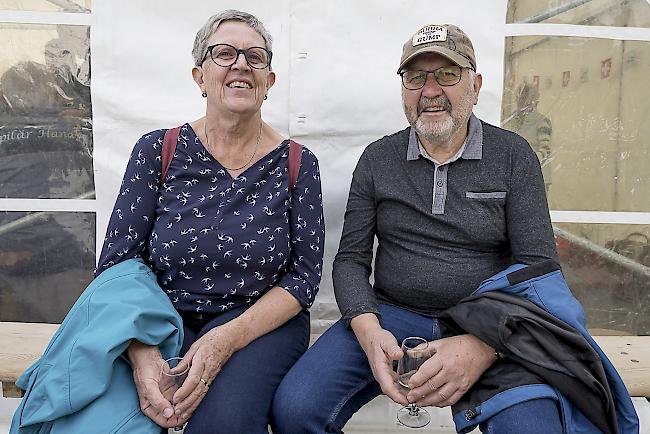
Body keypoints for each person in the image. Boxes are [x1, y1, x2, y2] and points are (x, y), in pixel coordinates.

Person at [272, 24, 564, 433]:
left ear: (476, 85)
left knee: (535, 428)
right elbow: (351, 261)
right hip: (391, 317)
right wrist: (368, 329)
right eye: (416, 77)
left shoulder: (514, 156)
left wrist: (482, 346)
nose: (430, 90)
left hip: (487, 321)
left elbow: (538, 268)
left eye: (447, 75)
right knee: (295, 409)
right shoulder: (378, 159)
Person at [95, 10, 324, 433]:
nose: (240, 65)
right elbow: (117, 262)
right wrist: (142, 355)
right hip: (157, 318)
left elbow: (304, 278)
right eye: (224, 54)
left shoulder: (296, 164)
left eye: (255, 57)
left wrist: (222, 341)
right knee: (114, 421)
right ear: (200, 76)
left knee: (222, 425)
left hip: (256, 323)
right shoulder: (156, 150)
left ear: (269, 82)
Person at [503, 81, 553, 192]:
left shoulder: (541, 121)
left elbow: (546, 150)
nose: (521, 101)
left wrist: (525, 162)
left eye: (525, 97)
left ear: (533, 101)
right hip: (515, 178)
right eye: (520, 97)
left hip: (537, 178)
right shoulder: (510, 120)